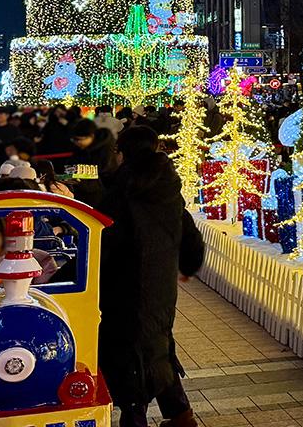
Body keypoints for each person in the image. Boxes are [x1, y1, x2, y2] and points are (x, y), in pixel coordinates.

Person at [98, 126, 203, 427]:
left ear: (123, 153)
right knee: (157, 344)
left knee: (131, 355)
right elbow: (187, 229)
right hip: (160, 287)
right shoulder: (167, 188)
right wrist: (188, 265)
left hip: (124, 289)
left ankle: (135, 418)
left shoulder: (122, 192)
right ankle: (181, 415)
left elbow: (103, 241)